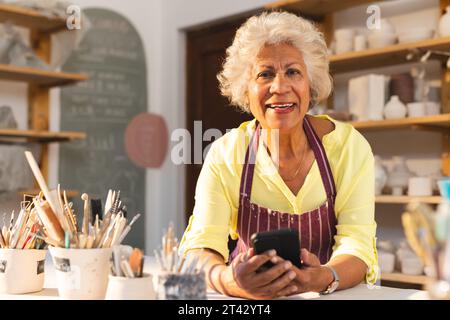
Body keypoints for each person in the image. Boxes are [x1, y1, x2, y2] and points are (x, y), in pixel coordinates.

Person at [179, 11, 378, 299]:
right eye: (265, 74)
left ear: (310, 83)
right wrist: (232, 282)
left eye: (293, 72)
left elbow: (358, 246)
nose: (280, 87)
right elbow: (200, 248)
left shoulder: (349, 148)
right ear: (245, 90)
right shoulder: (227, 153)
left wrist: (323, 276)